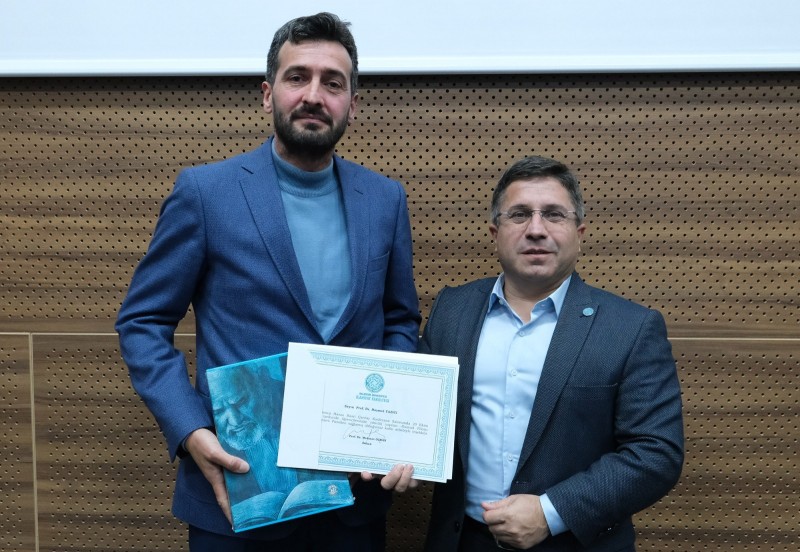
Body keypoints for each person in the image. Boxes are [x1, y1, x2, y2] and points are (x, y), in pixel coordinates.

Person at [116, 12, 420, 551]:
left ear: (353, 103)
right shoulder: (206, 193)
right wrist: (191, 430)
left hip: (354, 505)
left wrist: (390, 426)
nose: (314, 96)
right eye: (297, 77)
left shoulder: (385, 199)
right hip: (238, 497)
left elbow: (399, 321)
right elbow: (142, 321)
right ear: (267, 93)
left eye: (333, 83)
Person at [419, 155, 684, 551]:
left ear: (579, 233)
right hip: (462, 540)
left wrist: (551, 512)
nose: (536, 229)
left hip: (572, 542)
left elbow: (656, 453)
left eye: (554, 215)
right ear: (495, 233)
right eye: (519, 215)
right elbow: (420, 415)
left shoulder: (630, 328)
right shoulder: (451, 311)